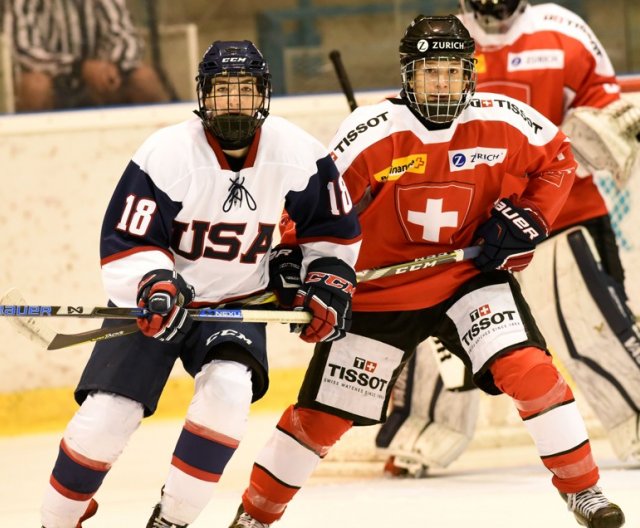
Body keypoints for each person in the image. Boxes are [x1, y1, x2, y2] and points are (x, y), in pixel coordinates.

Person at [229, 15, 625, 528]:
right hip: (378, 294)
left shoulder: (503, 117)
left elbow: (559, 159)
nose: (441, 83)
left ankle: (584, 491)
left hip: (468, 278)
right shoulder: (371, 132)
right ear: (407, 75)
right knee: (320, 421)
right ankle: (255, 515)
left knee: (531, 373)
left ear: (470, 74)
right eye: (429, 72)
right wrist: (292, 260)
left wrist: (532, 216)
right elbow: (312, 208)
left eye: (452, 72)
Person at [38, 39, 361, 528]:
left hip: (236, 303)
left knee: (229, 394)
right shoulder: (167, 152)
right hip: (158, 303)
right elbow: (127, 239)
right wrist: (156, 284)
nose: (234, 102)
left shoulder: (298, 152)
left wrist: (324, 277)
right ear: (203, 95)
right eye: (223, 90)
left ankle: (171, 521)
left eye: (245, 90)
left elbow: (332, 235)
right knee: (107, 416)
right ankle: (58, 520)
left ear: (263, 95)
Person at [380, 0, 640, 480]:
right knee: (431, 317)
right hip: (463, 221)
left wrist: (571, 158)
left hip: (562, 210)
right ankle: (423, 429)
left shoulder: (563, 30)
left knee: (594, 325)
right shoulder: (442, 38)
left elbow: (611, 111)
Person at [6, 0, 170, 111]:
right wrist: (80, 68)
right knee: (35, 86)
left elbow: (127, 37)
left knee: (144, 78)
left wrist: (113, 67)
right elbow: (24, 48)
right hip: (55, 83)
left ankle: (163, 155)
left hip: (101, 85)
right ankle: (33, 155)